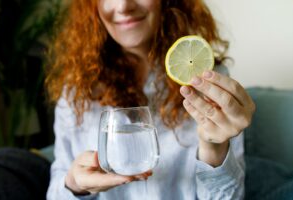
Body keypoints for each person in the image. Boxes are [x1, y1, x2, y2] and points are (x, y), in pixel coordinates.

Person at [45, 0, 255, 199]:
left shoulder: (208, 80)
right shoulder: (77, 89)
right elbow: (55, 192)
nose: (123, 6)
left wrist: (215, 147)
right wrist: (74, 184)